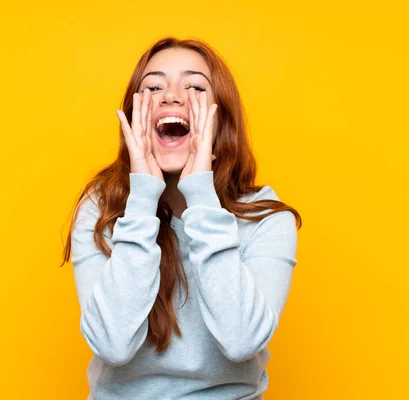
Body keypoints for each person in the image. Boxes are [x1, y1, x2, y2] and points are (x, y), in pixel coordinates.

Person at [61, 36, 302, 400]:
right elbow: (113, 344)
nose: (172, 95)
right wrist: (142, 198)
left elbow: (241, 341)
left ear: (222, 117)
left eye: (194, 86)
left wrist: (202, 197)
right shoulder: (101, 210)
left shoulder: (265, 218)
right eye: (154, 86)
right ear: (133, 114)